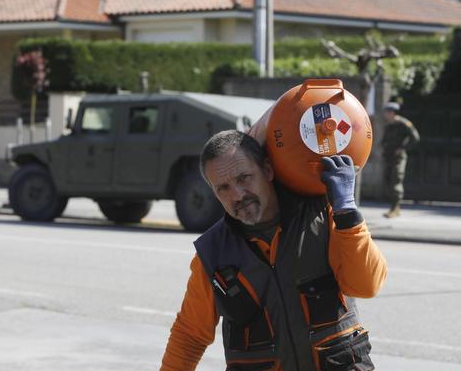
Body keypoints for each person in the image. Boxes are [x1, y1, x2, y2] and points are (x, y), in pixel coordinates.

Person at [160, 129, 387, 371]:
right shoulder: (213, 254)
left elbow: (367, 285)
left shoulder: (322, 216)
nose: (237, 195)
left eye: (244, 178)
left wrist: (347, 214)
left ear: (267, 170)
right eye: (223, 188)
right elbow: (190, 336)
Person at [381, 101, 419, 218]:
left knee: (396, 180)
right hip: (389, 156)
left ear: (392, 113)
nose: (385, 115)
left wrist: (402, 148)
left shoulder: (403, 124)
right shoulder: (388, 125)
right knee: (387, 179)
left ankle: (395, 208)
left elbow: (415, 137)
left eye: (387, 112)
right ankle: (395, 207)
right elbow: (384, 140)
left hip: (399, 157)